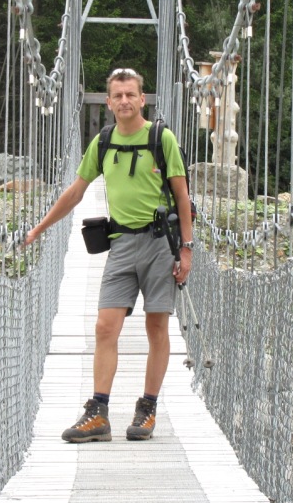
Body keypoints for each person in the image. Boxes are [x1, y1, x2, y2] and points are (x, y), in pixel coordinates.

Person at [23, 68, 194, 442]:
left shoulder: (161, 138)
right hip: (120, 245)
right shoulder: (102, 143)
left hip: (158, 244)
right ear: (109, 101)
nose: (124, 101)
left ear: (142, 98)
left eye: (130, 94)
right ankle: (98, 413)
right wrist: (40, 227)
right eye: (117, 96)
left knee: (156, 327)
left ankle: (146, 410)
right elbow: (75, 193)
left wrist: (186, 248)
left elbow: (182, 197)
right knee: (105, 326)